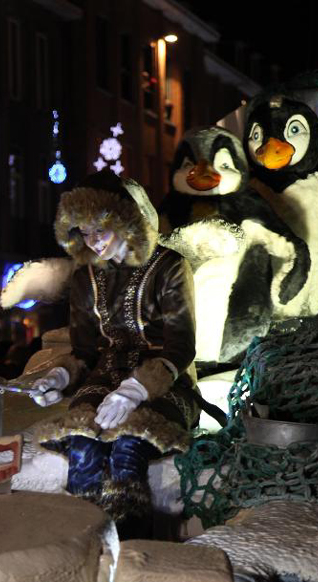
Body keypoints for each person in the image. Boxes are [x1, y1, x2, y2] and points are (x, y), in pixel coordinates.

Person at [29, 170, 199, 539]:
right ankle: (82, 545)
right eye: (84, 233)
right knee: (82, 444)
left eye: (99, 230)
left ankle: (131, 547)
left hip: (165, 382)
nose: (93, 242)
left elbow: (181, 347)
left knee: (127, 446)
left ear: (122, 220)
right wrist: (60, 376)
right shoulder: (84, 278)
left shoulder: (169, 266)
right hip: (103, 378)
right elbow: (85, 351)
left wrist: (137, 389)